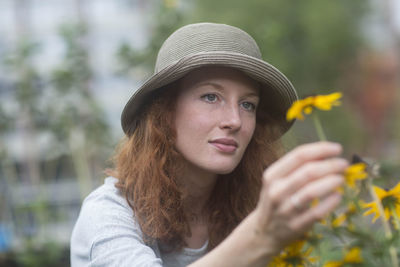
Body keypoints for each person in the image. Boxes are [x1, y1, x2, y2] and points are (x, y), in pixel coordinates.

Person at [70, 22, 348, 267]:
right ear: (164, 113)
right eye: (211, 97)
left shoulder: (250, 205)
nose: (234, 120)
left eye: (248, 104)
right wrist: (260, 238)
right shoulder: (108, 213)